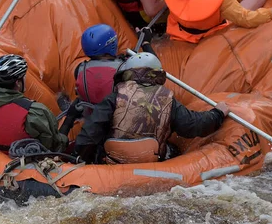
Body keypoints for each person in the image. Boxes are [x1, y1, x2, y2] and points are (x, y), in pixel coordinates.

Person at [73, 52, 230, 164]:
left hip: (112, 163)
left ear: (127, 73)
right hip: (153, 162)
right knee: (173, 149)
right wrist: (217, 114)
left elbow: (90, 133)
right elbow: (193, 125)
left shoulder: (114, 98)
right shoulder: (168, 100)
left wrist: (79, 159)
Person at [74, 24, 157, 105]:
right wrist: (146, 43)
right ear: (112, 44)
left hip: (91, 115)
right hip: (118, 115)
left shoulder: (79, 69)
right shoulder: (124, 68)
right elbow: (157, 70)